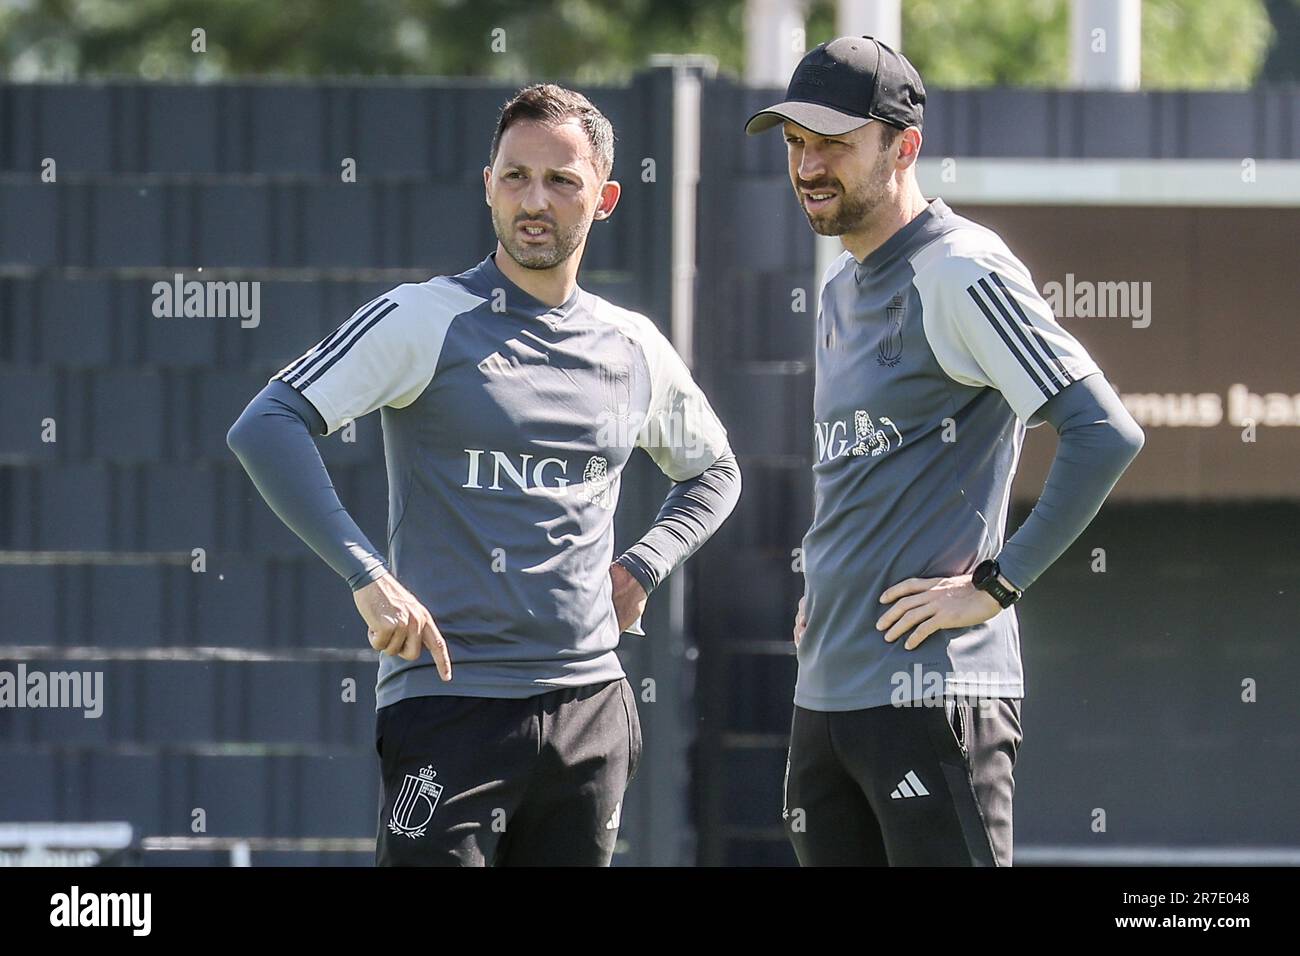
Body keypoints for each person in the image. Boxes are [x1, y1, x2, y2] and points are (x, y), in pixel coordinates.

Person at [228, 83, 740, 866]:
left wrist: (645, 563)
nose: (535, 200)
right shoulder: (424, 316)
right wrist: (367, 574)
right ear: (488, 186)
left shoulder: (632, 345)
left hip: (589, 709)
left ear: (602, 198)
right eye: (515, 176)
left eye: (561, 180)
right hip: (446, 704)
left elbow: (714, 472)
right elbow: (266, 424)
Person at [745, 36, 1144, 866]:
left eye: (834, 143)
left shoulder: (960, 268)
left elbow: (1104, 432)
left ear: (904, 146)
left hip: (934, 700)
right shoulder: (837, 289)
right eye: (795, 143)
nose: (809, 165)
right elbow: (865, 472)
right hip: (825, 698)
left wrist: (995, 587)